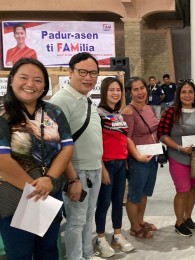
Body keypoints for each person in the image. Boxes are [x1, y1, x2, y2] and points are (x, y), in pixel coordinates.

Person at [0, 58, 73, 259]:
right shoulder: (2, 112)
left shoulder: (54, 111)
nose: (30, 84)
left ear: (44, 86)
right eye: (24, 77)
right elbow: (2, 160)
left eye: (38, 80)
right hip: (15, 194)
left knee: (49, 249)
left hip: (50, 190)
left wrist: (49, 180)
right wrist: (36, 188)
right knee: (19, 252)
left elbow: (67, 148)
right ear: (12, 79)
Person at [49, 52, 103, 260]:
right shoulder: (60, 101)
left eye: (93, 73)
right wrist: (73, 179)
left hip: (94, 168)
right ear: (70, 73)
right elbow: (57, 146)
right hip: (77, 171)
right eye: (83, 72)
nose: (88, 77)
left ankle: (87, 254)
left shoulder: (86, 100)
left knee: (88, 216)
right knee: (76, 220)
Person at [158, 79, 195, 237]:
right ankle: (179, 222)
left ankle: (188, 218)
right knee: (182, 190)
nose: (187, 95)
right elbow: (162, 134)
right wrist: (178, 147)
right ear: (178, 95)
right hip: (178, 156)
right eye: (183, 92)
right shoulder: (171, 112)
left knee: (193, 189)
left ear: (194, 95)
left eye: (190, 92)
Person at [94, 77, 134, 257]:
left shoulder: (118, 115)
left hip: (120, 165)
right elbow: (95, 144)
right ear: (104, 92)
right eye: (111, 90)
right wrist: (102, 168)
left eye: (118, 90)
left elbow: (121, 140)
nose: (116, 93)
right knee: (103, 203)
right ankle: (100, 238)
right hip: (107, 165)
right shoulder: (98, 114)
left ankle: (117, 235)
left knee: (118, 202)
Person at [121, 77, 157, 239]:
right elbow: (126, 137)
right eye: (135, 89)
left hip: (152, 156)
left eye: (142, 88)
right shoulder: (128, 111)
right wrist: (137, 156)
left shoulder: (149, 108)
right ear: (129, 93)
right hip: (138, 159)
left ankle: (140, 221)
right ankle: (134, 227)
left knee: (144, 193)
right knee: (135, 194)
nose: (140, 92)